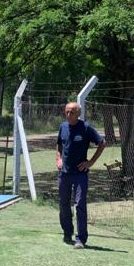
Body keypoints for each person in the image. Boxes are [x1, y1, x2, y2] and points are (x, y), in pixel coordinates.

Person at [56, 101, 105, 249]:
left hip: (80, 174)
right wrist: (58, 159)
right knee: (64, 205)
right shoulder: (62, 127)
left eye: (72, 112)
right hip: (64, 174)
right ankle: (67, 232)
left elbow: (102, 143)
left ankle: (80, 239)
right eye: (66, 111)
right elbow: (59, 144)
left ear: (78, 113)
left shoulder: (86, 128)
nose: (68, 114)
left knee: (80, 205)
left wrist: (90, 163)